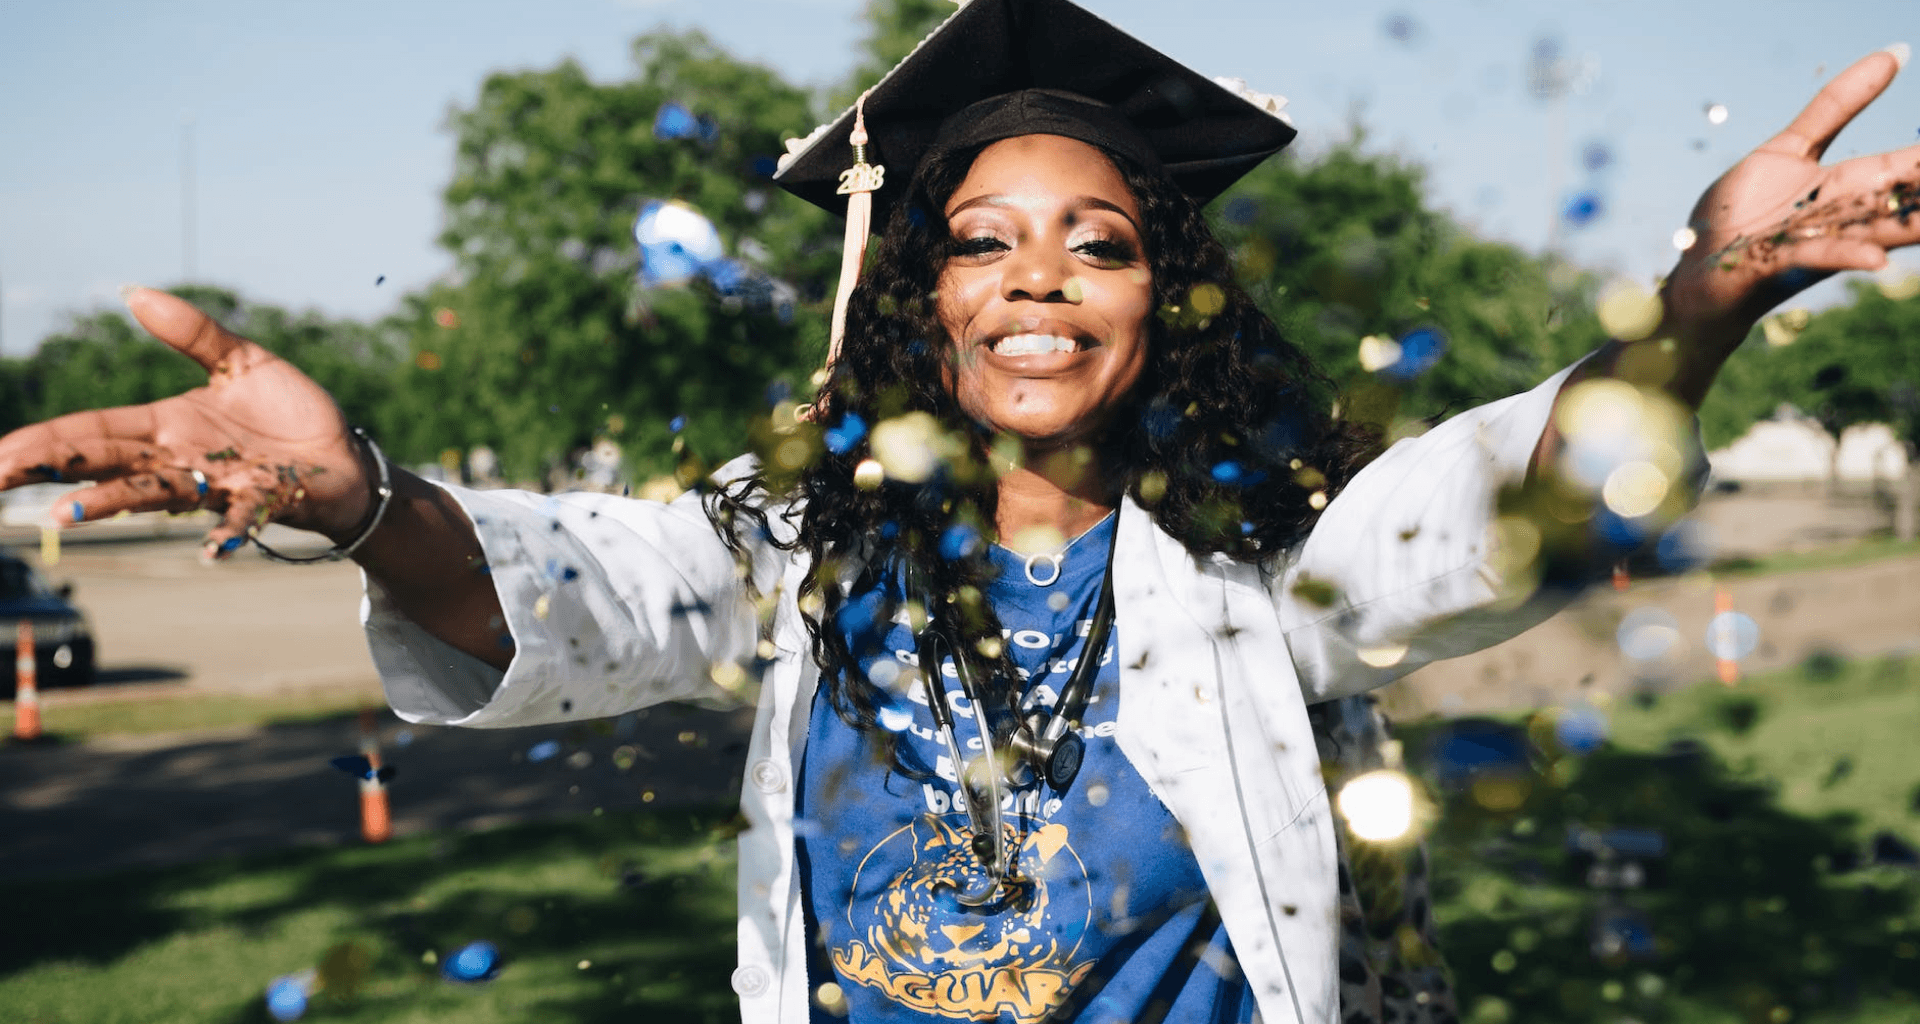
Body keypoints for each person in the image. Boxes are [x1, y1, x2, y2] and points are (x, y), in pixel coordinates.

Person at [2, 0, 1914, 1020]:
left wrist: (1706, 303)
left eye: (1099, 242)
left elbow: (1496, 501)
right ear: (916, 294)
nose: (1037, 277)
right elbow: (580, 593)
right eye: (980, 241)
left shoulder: (1270, 562)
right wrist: (364, 504)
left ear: (1167, 294)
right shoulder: (799, 547)